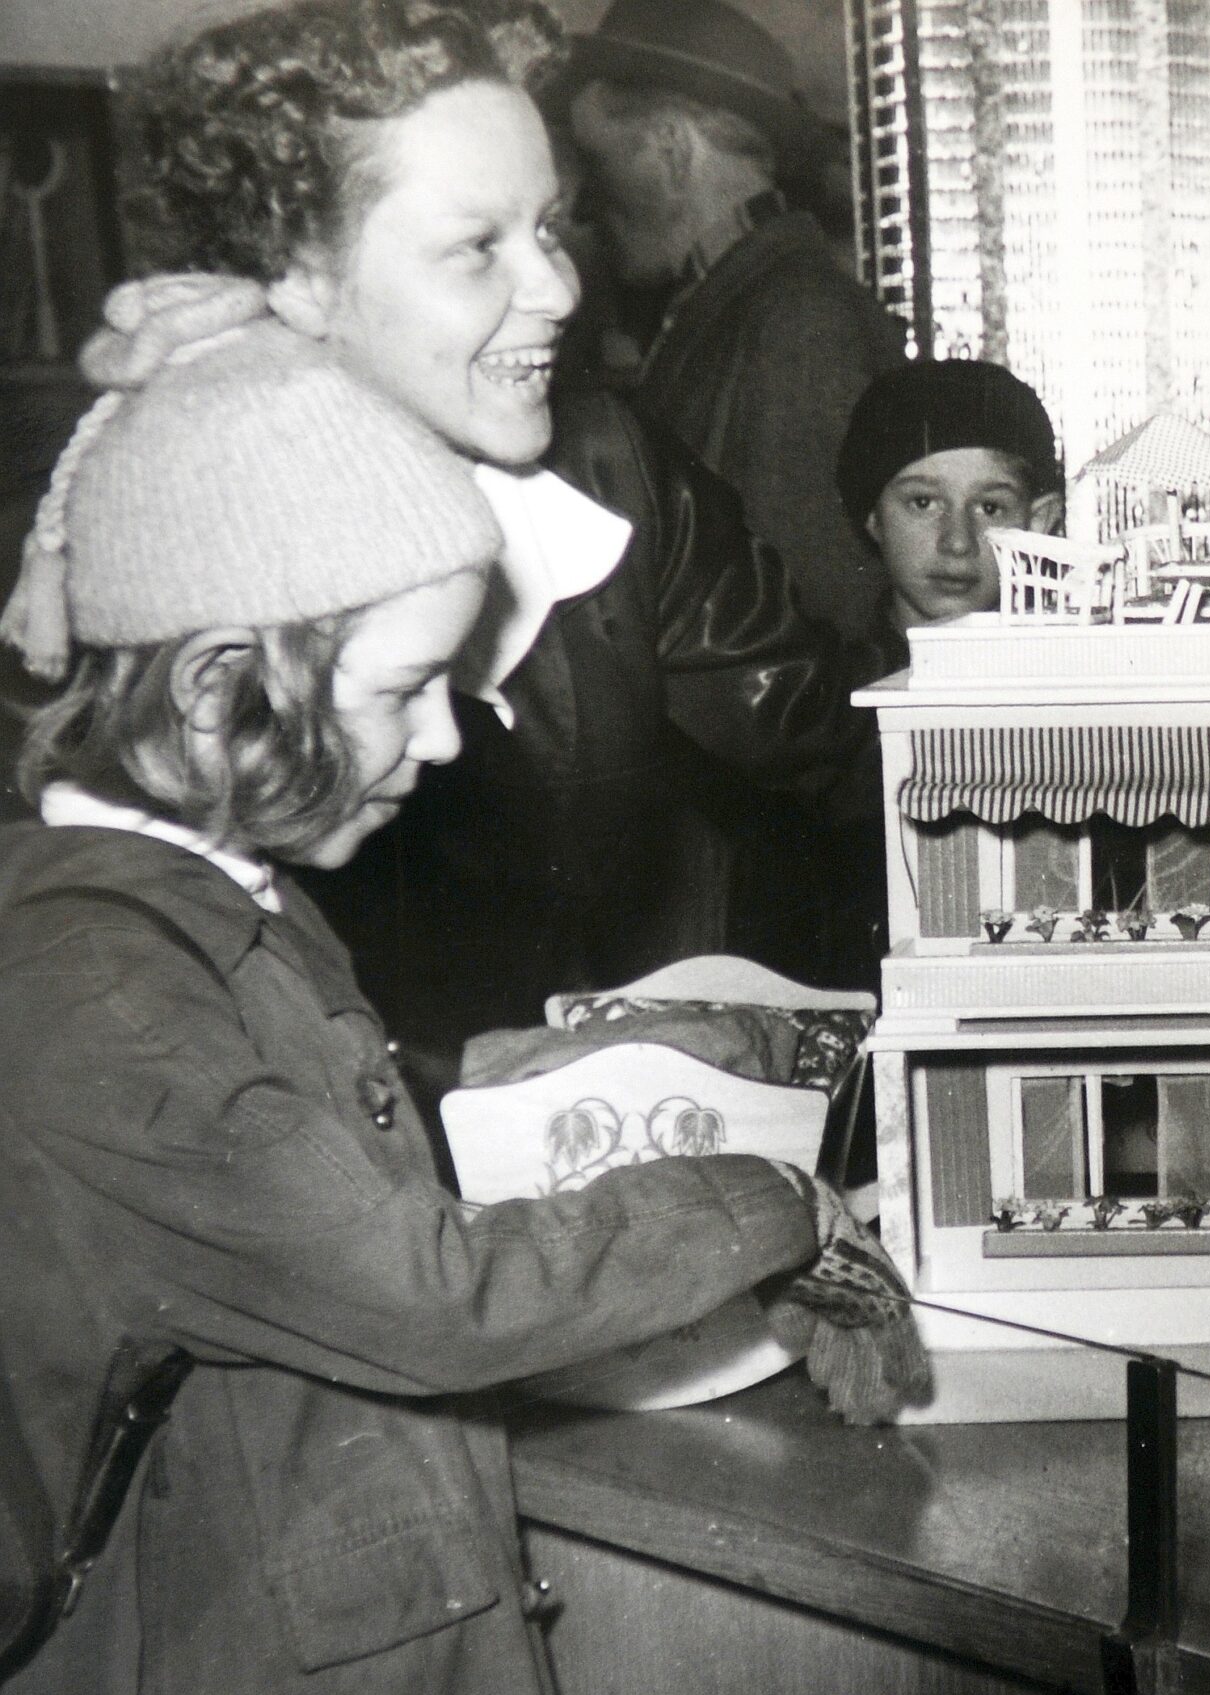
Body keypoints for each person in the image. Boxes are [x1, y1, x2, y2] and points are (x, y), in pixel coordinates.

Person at [0, 278, 849, 1695]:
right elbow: (420, 1289)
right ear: (212, 687)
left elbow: (306, 1163)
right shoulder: (95, 989)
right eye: (403, 692)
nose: (447, 743)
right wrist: (764, 1196)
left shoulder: (215, 916)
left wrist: (551, 1071)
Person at [126, 0, 882, 1083]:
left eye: (550, 227)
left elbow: (832, 737)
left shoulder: (602, 468)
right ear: (298, 273)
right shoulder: (145, 561)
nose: (561, 288)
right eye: (478, 245)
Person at [566, 0, 908, 661]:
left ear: (669, 151)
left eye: (597, 161)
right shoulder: (748, 302)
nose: (586, 204)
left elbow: (817, 631)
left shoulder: (797, 321)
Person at [835, 357, 1066, 670]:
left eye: (990, 508)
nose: (958, 542)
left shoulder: (1063, 682)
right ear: (872, 516)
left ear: (1037, 523)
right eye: (923, 503)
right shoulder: (827, 702)